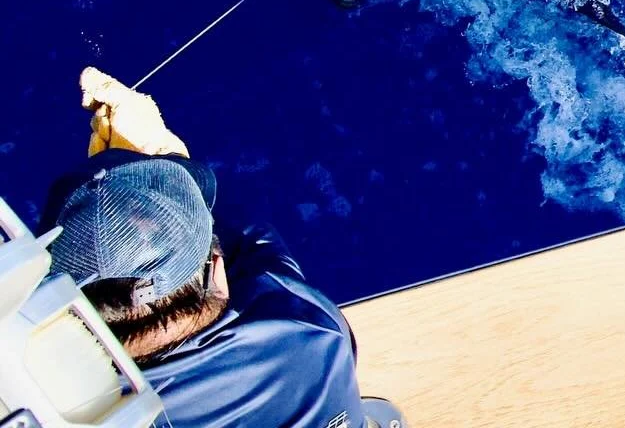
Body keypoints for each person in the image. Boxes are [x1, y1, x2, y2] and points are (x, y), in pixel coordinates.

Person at [42, 68, 402, 428]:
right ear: (218, 269)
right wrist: (162, 157)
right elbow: (256, 243)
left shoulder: (64, 407)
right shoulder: (312, 326)